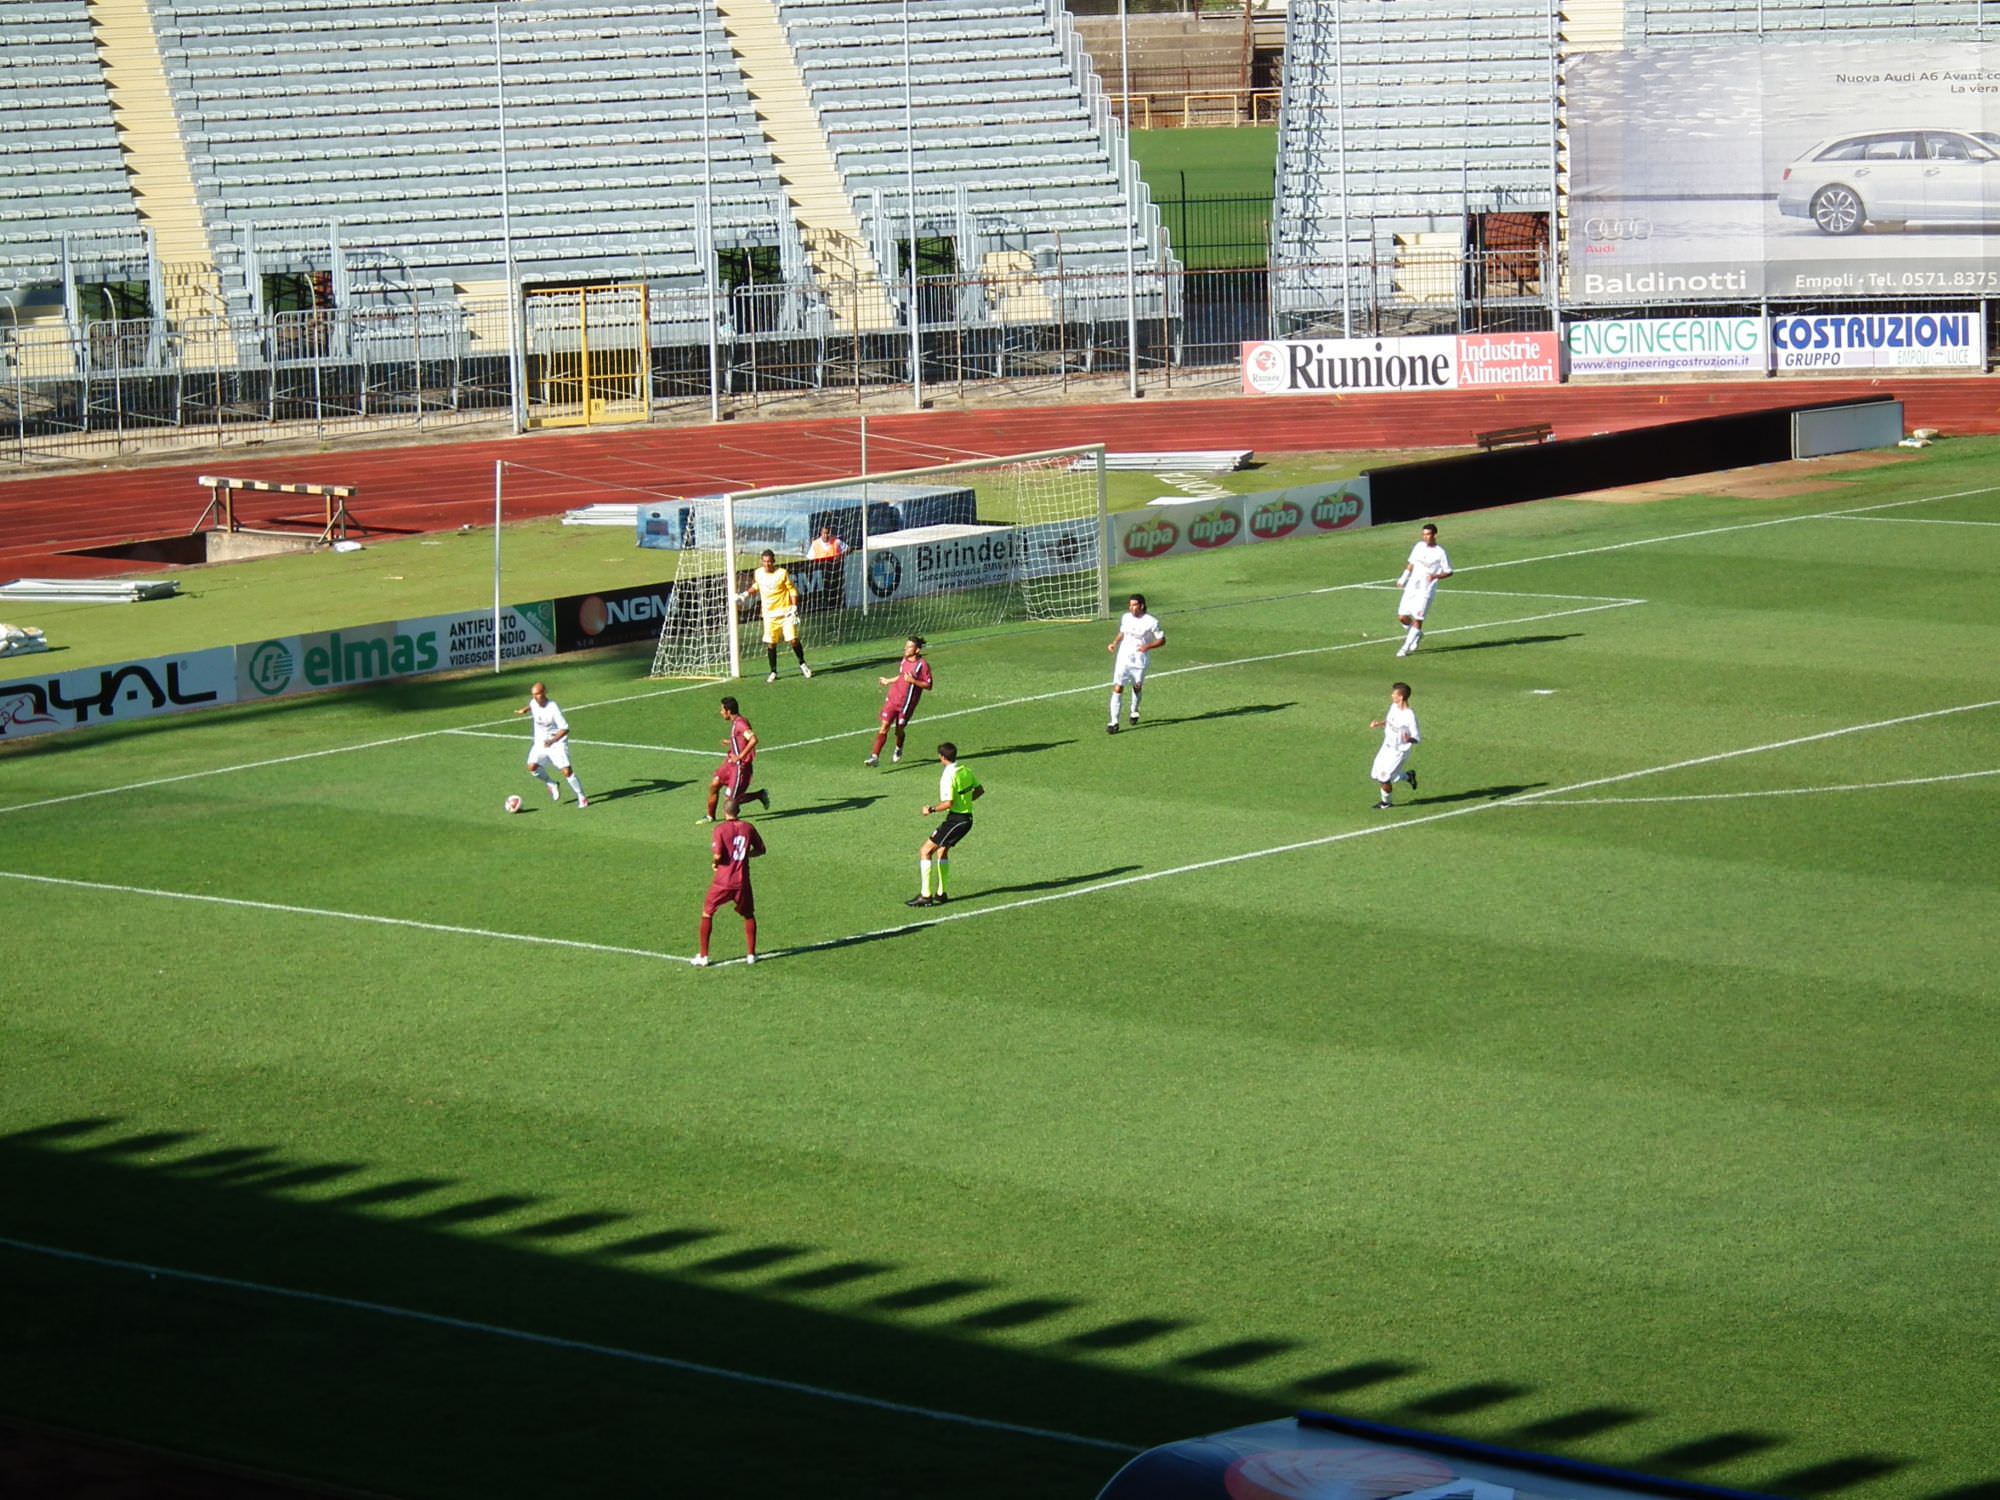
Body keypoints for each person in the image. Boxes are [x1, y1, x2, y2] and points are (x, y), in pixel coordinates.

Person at [906, 741, 982, 908]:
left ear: (941, 757)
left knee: (925, 851)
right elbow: (979, 790)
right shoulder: (965, 770)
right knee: (942, 850)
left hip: (956, 820)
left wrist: (931, 809)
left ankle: (926, 896)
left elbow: (948, 803)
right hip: (965, 819)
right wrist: (966, 802)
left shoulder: (948, 775)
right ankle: (941, 893)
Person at [693, 798, 764, 967]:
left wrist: (715, 864)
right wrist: (746, 855)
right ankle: (751, 955)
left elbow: (718, 855)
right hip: (742, 881)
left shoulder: (720, 829)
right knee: (748, 914)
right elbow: (761, 849)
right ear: (739, 811)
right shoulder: (748, 827)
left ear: (724, 811)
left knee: (707, 913)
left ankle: (703, 956)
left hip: (723, 881)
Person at [740, 548, 812, 683]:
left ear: (774, 561)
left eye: (769, 561)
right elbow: (757, 586)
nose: (767, 564)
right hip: (769, 616)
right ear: (762, 562)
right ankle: (773, 671)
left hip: (785, 613)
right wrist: (745, 594)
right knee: (771, 644)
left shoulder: (782, 573)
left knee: (793, 640)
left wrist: (794, 607)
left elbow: (792, 590)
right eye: (764, 562)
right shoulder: (758, 573)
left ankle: (803, 664)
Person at [514, 680, 587, 808]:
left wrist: (552, 741)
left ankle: (581, 796)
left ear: (545, 692)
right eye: (533, 694)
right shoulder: (534, 702)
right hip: (540, 742)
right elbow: (532, 705)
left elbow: (565, 729)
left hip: (556, 743)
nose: (535, 697)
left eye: (538, 694)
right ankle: (551, 783)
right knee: (532, 767)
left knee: (566, 771)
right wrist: (524, 710)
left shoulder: (553, 708)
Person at [702, 696, 769, 823]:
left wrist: (740, 756)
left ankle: (759, 795)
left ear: (728, 711)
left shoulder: (740, 723)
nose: (720, 712)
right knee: (714, 785)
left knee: (730, 802)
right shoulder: (737, 721)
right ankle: (710, 816)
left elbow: (754, 739)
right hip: (730, 763)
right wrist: (731, 742)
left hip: (740, 766)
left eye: (722, 710)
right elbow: (742, 738)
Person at [867, 636, 932, 767]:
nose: (905, 648)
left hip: (906, 704)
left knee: (899, 730)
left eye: (909, 646)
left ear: (917, 650)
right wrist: (888, 681)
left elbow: (929, 686)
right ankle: (874, 757)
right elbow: (902, 677)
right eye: (906, 646)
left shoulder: (922, 665)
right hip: (893, 699)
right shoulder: (904, 660)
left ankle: (898, 747)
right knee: (884, 726)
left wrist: (913, 681)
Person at [1106, 592, 1165, 734]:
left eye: (1134, 605)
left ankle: (1134, 710)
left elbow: (1162, 640)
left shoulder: (1151, 621)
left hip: (1139, 660)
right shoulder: (1126, 618)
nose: (1131, 608)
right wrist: (1114, 643)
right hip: (1124, 658)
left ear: (1141, 606)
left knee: (1137, 686)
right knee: (1118, 687)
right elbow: (1122, 633)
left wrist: (1147, 647)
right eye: (1130, 605)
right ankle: (1114, 722)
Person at [1394, 523, 1453, 657]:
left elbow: (1449, 571)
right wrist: (1403, 578)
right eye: (1423, 534)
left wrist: (1434, 576)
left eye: (1428, 534)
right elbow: (1411, 563)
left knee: (1418, 619)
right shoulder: (1418, 546)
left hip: (1426, 591)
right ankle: (1417, 634)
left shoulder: (1440, 553)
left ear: (1434, 535)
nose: (1425, 537)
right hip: (1412, 587)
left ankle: (1405, 648)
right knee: (1402, 617)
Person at [1369, 681, 1420, 810]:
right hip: (1386, 747)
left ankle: (1386, 803)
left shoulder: (1409, 716)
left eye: (1394, 694)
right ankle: (1408, 776)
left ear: (1401, 697)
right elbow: (1389, 722)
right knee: (1376, 774)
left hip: (1399, 751)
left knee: (1384, 777)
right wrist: (1379, 724)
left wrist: (1409, 739)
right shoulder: (1393, 707)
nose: (1392, 696)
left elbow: (1417, 737)